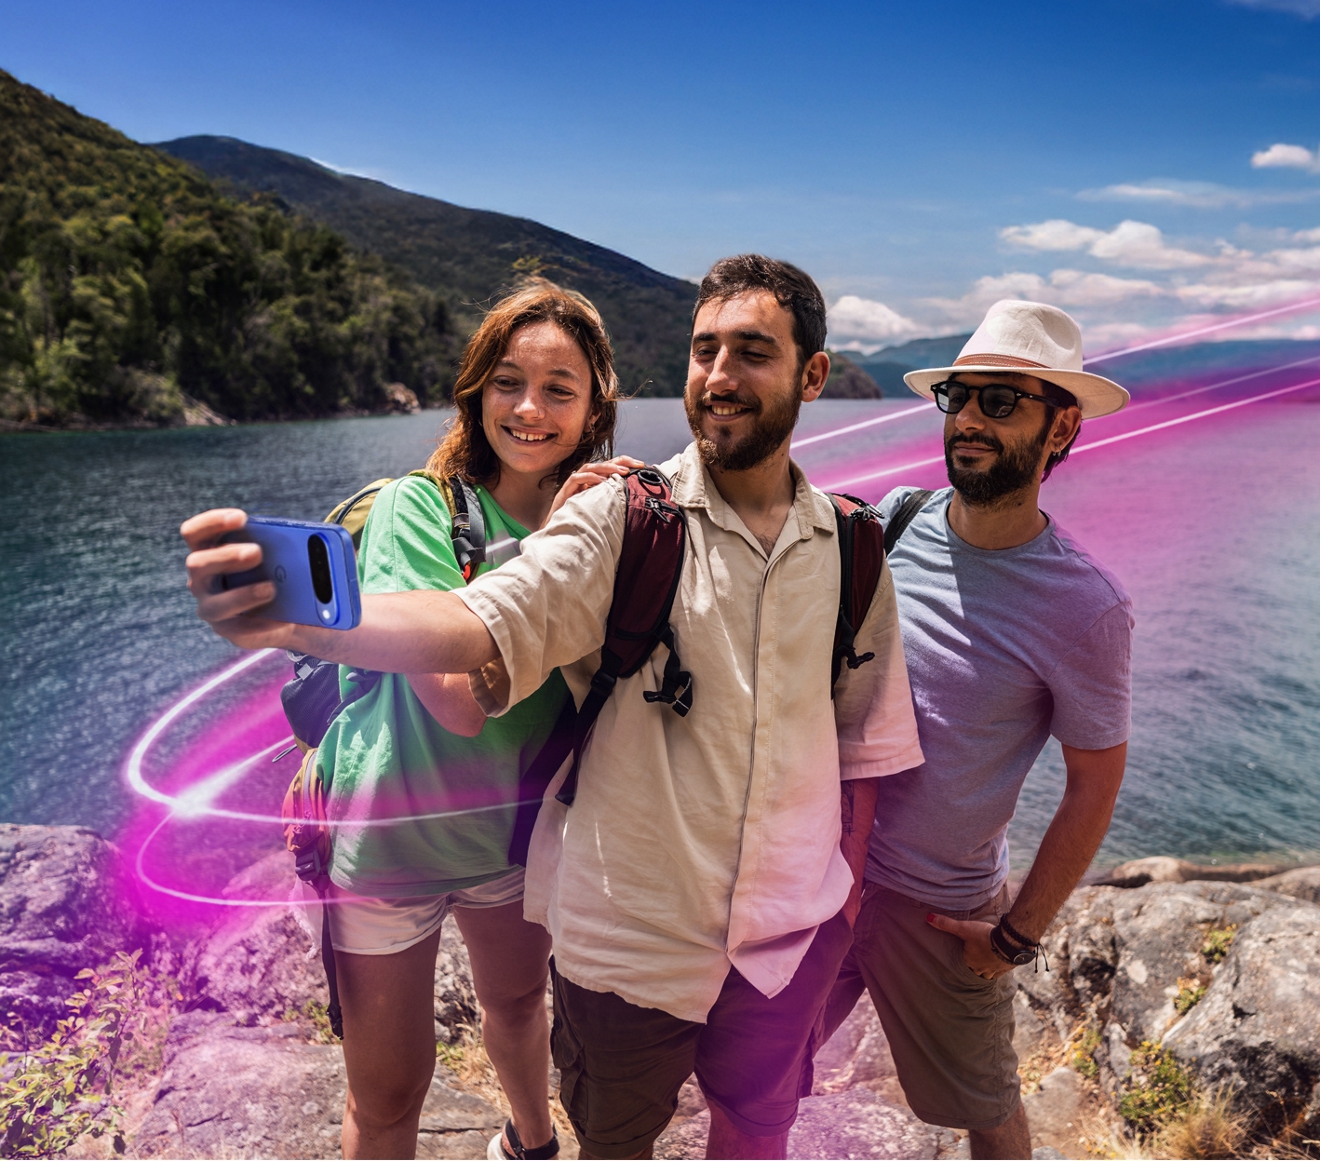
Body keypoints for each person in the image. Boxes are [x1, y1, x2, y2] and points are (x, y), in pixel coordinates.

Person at [182, 254, 922, 1161]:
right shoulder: (566, 517)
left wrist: (839, 908)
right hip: (450, 865)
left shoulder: (818, 542)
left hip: (541, 851)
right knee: (416, 1096)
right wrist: (315, 616)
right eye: (704, 350)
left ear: (812, 374)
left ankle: (527, 1142)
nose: (721, 375)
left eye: (752, 352)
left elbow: (861, 747)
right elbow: (464, 637)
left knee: (593, 1049)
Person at [282, 281, 633, 1161]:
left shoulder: (607, 516)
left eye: (560, 388)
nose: (529, 408)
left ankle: (531, 1144)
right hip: (390, 841)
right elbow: (453, 697)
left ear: (595, 405)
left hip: (512, 836)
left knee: (519, 1006)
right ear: (475, 389)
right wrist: (561, 553)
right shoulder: (418, 506)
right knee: (390, 1091)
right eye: (508, 380)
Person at [821, 298, 1134, 1161]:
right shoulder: (895, 521)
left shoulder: (1086, 607)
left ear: (1061, 426)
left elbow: (1094, 782)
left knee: (986, 1107)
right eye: (958, 397)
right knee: (763, 1070)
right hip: (824, 876)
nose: (968, 420)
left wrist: (1018, 934)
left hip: (938, 910)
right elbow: (759, 529)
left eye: (1000, 402)